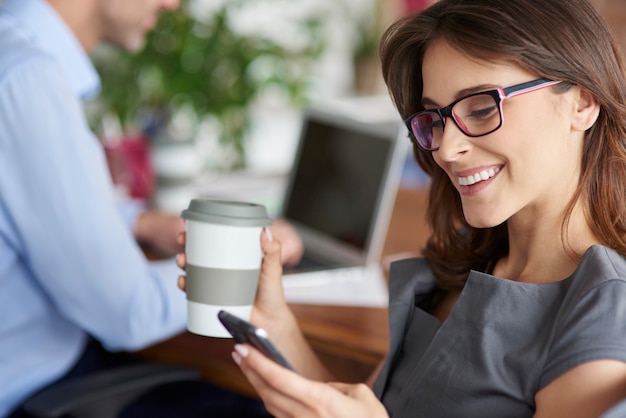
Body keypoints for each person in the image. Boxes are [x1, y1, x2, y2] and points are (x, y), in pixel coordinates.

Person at [177, 0, 626, 416]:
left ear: (582, 101)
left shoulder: (606, 312)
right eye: (435, 118)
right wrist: (278, 327)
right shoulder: (463, 266)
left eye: (482, 107)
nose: (446, 149)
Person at [0, 0, 302, 416]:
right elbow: (127, 312)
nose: (171, 3)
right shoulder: (24, 77)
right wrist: (250, 262)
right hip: (31, 391)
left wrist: (140, 222)